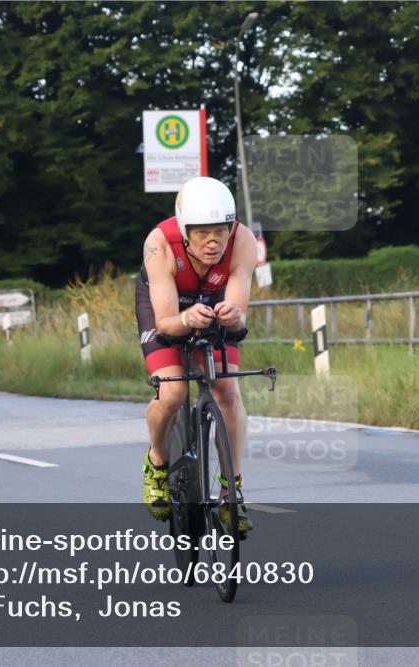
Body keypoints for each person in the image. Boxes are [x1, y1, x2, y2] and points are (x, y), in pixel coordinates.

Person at [134, 176, 257, 534]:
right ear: (185, 230)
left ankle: (230, 491)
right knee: (172, 392)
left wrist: (233, 315)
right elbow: (167, 323)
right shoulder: (158, 244)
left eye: (220, 230)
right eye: (202, 233)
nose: (213, 241)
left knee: (228, 392)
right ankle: (157, 460)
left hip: (213, 304)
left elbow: (238, 314)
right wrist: (187, 318)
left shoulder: (244, 241)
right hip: (169, 308)